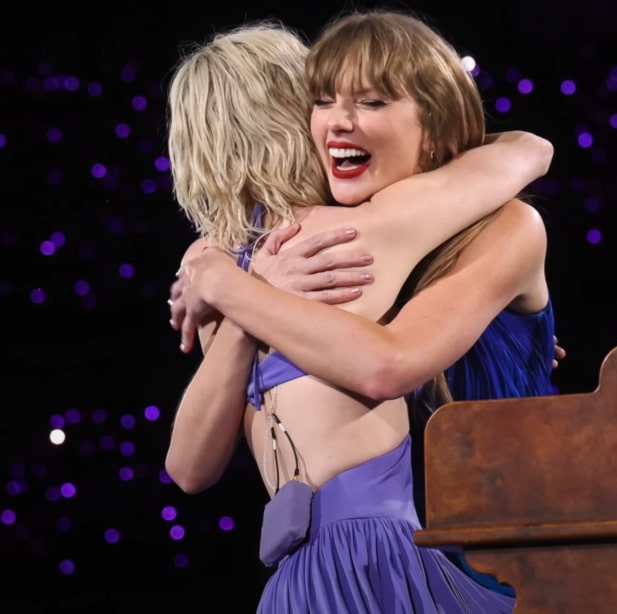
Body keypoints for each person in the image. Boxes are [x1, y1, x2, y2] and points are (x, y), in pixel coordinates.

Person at [164, 13, 553, 613]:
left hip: (513, 541)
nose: (337, 121)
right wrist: (237, 294)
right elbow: (526, 149)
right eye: (320, 100)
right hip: (392, 555)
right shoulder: (315, 244)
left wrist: (225, 283)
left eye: (369, 101)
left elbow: (388, 366)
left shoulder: (238, 262)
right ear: (295, 119)